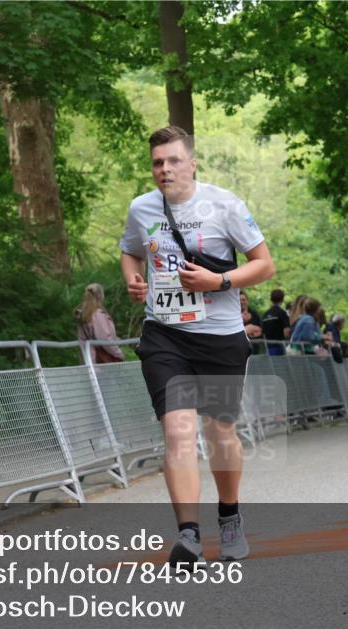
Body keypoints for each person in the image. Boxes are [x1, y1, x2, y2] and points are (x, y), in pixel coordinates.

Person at [120, 126, 276, 567]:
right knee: (178, 430)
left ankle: (229, 517)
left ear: (191, 162)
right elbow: (131, 251)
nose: (164, 169)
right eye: (157, 162)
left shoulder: (224, 205)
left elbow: (265, 265)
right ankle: (188, 536)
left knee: (219, 431)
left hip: (220, 336)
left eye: (172, 160)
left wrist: (219, 281)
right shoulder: (141, 208)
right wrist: (132, 279)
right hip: (165, 334)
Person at [75, 283, 125, 363]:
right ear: (101, 296)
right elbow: (104, 338)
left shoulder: (83, 315)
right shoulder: (98, 315)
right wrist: (119, 354)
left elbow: (82, 339)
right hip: (102, 364)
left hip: (89, 361)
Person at [261, 289, 291, 356]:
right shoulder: (283, 313)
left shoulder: (265, 314)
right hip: (280, 346)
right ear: (282, 299)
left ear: (271, 299)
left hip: (268, 346)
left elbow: (262, 331)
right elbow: (286, 331)